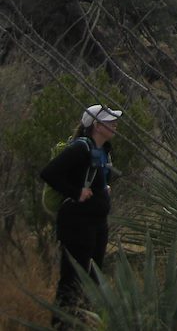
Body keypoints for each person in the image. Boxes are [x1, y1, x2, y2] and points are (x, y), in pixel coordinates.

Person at [39, 104, 122, 321]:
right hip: (76, 224)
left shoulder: (104, 150)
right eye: (110, 121)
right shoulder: (80, 148)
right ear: (97, 125)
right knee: (73, 278)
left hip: (97, 223)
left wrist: (103, 189)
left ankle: (83, 320)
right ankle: (62, 323)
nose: (115, 124)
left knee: (93, 277)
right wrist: (76, 193)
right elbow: (49, 173)